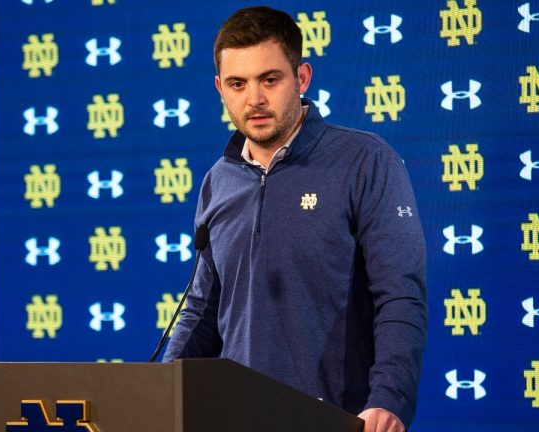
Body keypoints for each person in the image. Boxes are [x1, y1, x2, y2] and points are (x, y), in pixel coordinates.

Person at [163, 6, 427, 432]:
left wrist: (388, 399)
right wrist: (160, 389)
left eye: (270, 79)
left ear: (302, 78)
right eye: (238, 84)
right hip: (236, 416)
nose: (255, 99)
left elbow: (399, 297)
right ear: (220, 89)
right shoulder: (218, 180)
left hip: (336, 417)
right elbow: (202, 308)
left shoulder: (364, 160)